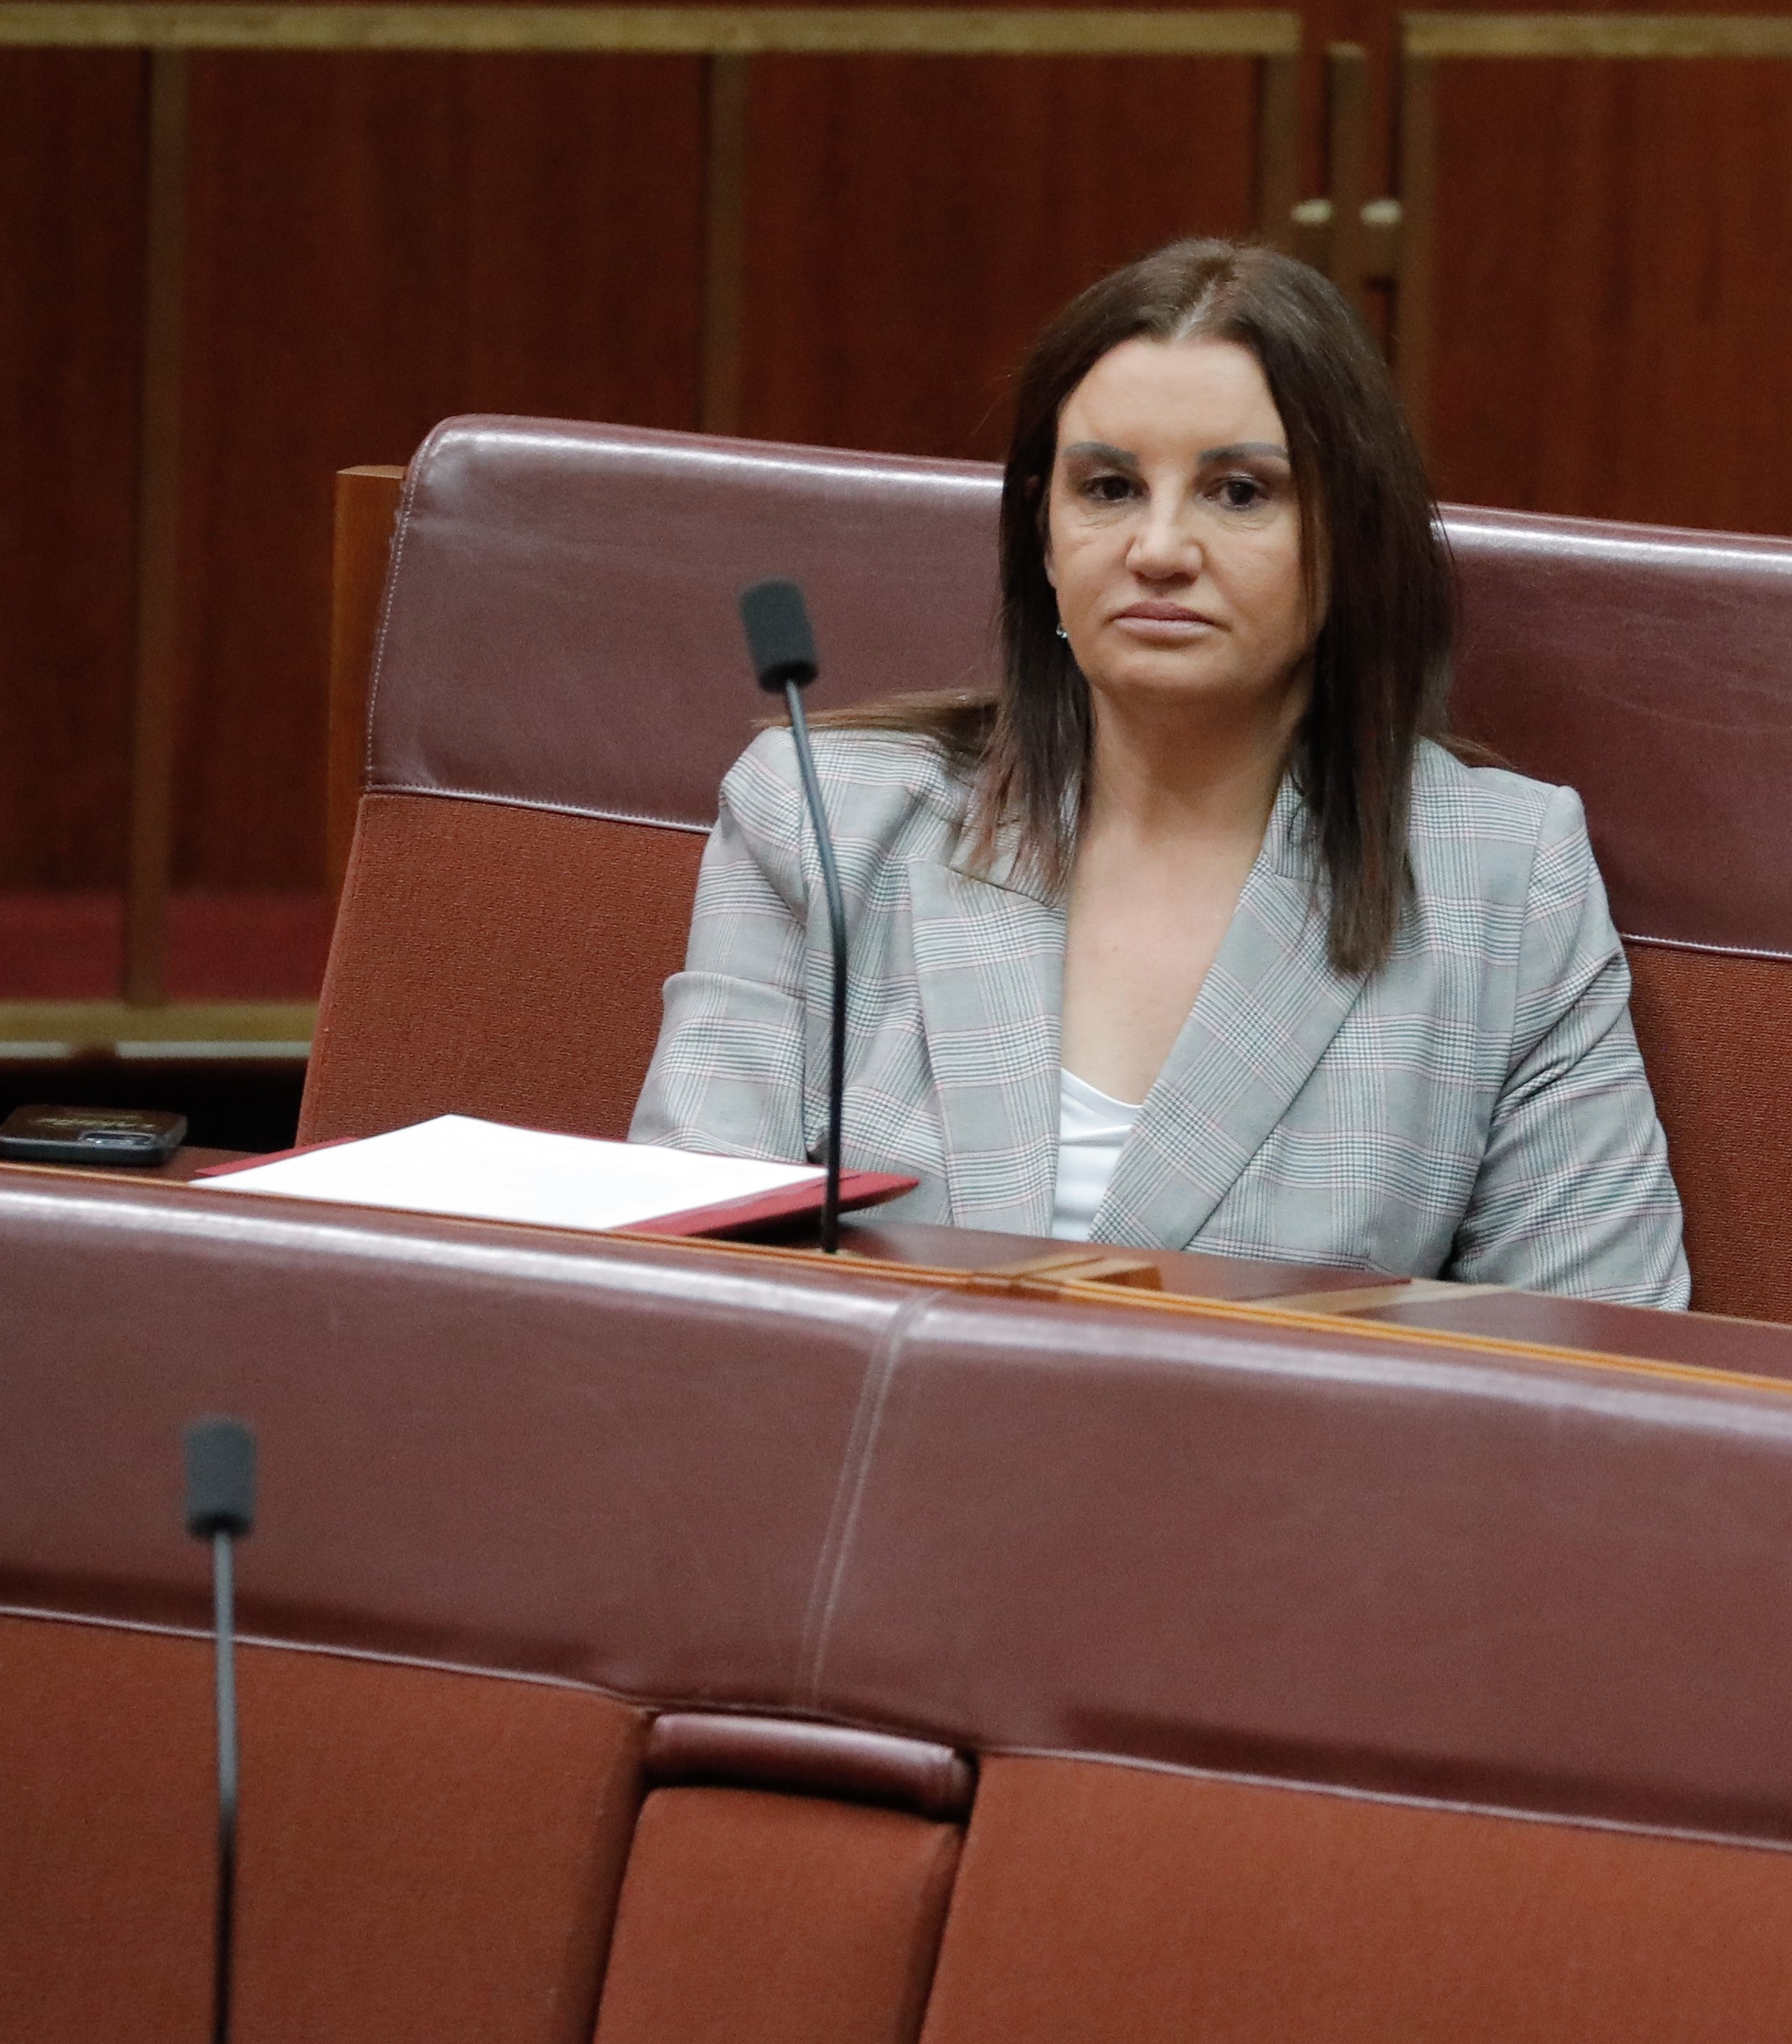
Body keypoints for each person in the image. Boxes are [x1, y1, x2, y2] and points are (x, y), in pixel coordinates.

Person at [634, 236, 1689, 1306]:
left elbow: (1599, 1348)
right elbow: (683, 1288)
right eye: (1109, 487)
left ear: (1352, 538)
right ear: (1044, 535)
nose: (1160, 549)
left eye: (1239, 492)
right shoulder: (823, 815)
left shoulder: (1503, 877)